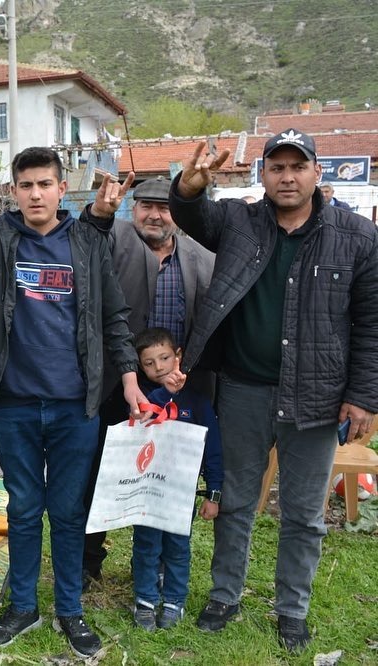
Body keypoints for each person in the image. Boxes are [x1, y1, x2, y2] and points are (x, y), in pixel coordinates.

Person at [168, 129, 378, 653]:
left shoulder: (357, 236)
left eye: (297, 166)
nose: (287, 177)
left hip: (318, 397)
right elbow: (192, 216)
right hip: (242, 389)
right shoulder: (239, 221)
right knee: (236, 501)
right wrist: (189, 188)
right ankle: (224, 596)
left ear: (317, 172)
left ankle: (292, 609)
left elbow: (371, 324)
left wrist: (365, 395)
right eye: (276, 167)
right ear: (263, 175)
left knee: (304, 515)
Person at [0, 150, 145, 657]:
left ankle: (70, 610)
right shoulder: (2, 238)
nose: (35, 194)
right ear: (14, 191)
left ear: (61, 190)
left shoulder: (86, 242)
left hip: (77, 406)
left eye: (44, 184)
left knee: (70, 512)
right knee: (24, 509)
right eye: (25, 185)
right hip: (14, 405)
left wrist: (129, 380)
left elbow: (113, 317)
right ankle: (24, 607)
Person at [80, 176, 215, 586]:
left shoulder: (201, 257)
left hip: (176, 390)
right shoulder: (113, 240)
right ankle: (89, 560)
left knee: (170, 475)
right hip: (114, 387)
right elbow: (87, 234)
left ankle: (161, 564)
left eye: (165, 207)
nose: (155, 215)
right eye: (146, 206)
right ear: (131, 209)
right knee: (99, 473)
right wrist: (99, 211)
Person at [129, 327, 222, 631]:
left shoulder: (198, 403)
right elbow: (145, 415)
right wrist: (165, 393)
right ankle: (145, 600)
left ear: (178, 356)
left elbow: (213, 450)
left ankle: (173, 601)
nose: (159, 367)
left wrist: (214, 492)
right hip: (147, 491)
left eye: (165, 358)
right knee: (145, 544)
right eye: (149, 363)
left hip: (181, 494)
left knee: (178, 548)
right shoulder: (141, 397)